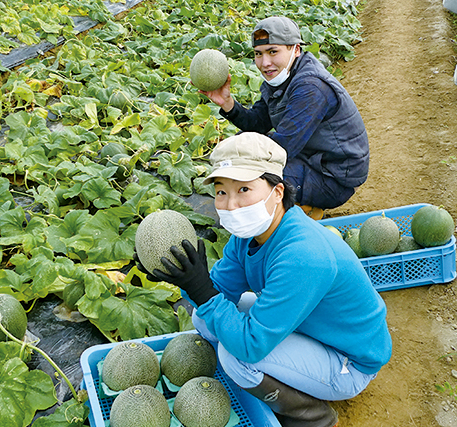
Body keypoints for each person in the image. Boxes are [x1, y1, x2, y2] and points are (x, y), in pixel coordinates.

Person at [135, 133, 391, 427]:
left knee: (237, 357)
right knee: (204, 321)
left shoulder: (304, 255)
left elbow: (250, 345)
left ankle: (312, 417)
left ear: (278, 191)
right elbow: (218, 293)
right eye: (221, 192)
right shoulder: (248, 237)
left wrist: (203, 291)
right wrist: (187, 278)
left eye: (244, 189)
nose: (231, 204)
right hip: (309, 328)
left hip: (349, 361)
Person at [200, 16, 369, 220]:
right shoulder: (282, 78)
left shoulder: (310, 87)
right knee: (244, 142)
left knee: (254, 172)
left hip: (333, 178)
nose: (265, 63)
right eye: (258, 54)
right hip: (313, 158)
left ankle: (295, 211)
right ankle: (298, 204)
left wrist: (234, 161)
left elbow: (282, 149)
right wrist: (227, 103)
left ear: (295, 49)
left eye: (273, 52)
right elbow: (257, 124)